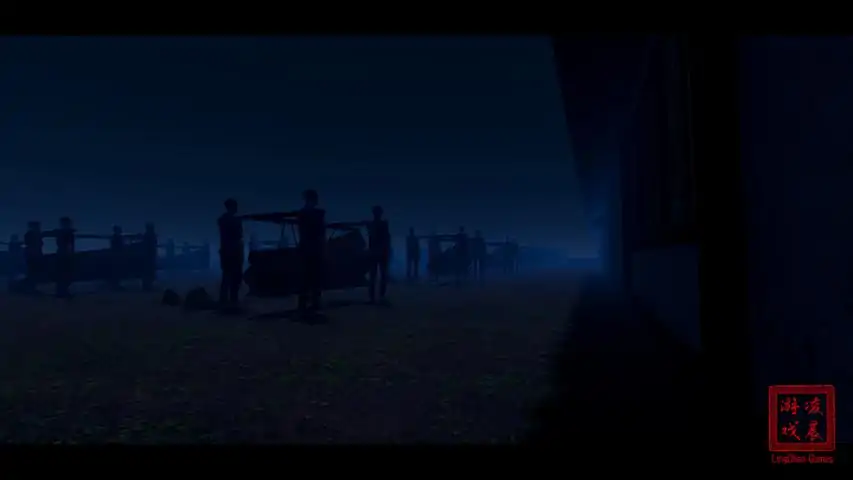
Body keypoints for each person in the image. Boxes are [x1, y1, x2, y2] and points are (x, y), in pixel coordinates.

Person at [217, 198, 244, 308]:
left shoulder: (221, 220)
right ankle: (233, 299)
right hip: (234, 252)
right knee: (235, 277)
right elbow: (239, 235)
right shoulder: (235, 221)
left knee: (227, 276)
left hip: (225, 252)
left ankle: (224, 299)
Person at [366, 206, 391, 304]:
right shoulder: (380, 224)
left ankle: (376, 296)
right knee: (377, 275)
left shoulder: (377, 225)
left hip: (378, 253)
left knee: (377, 275)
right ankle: (377, 296)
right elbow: (386, 239)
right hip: (379, 253)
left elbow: (385, 239)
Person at [45, 217, 75, 298]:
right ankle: (62, 291)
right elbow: (71, 246)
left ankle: (62, 291)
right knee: (64, 273)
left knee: (64, 273)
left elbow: (71, 245)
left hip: (63, 254)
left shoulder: (64, 233)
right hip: (64, 254)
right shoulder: (66, 233)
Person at [23, 221, 43, 292]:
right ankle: (31, 288)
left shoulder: (34, 234)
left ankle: (32, 288)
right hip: (32, 256)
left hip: (34, 256)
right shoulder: (31, 234)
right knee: (32, 272)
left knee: (33, 272)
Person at [110, 225, 125, 290]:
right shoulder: (117, 238)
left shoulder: (114, 238)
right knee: (117, 271)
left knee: (117, 271)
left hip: (116, 257)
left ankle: (116, 284)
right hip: (117, 257)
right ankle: (116, 285)